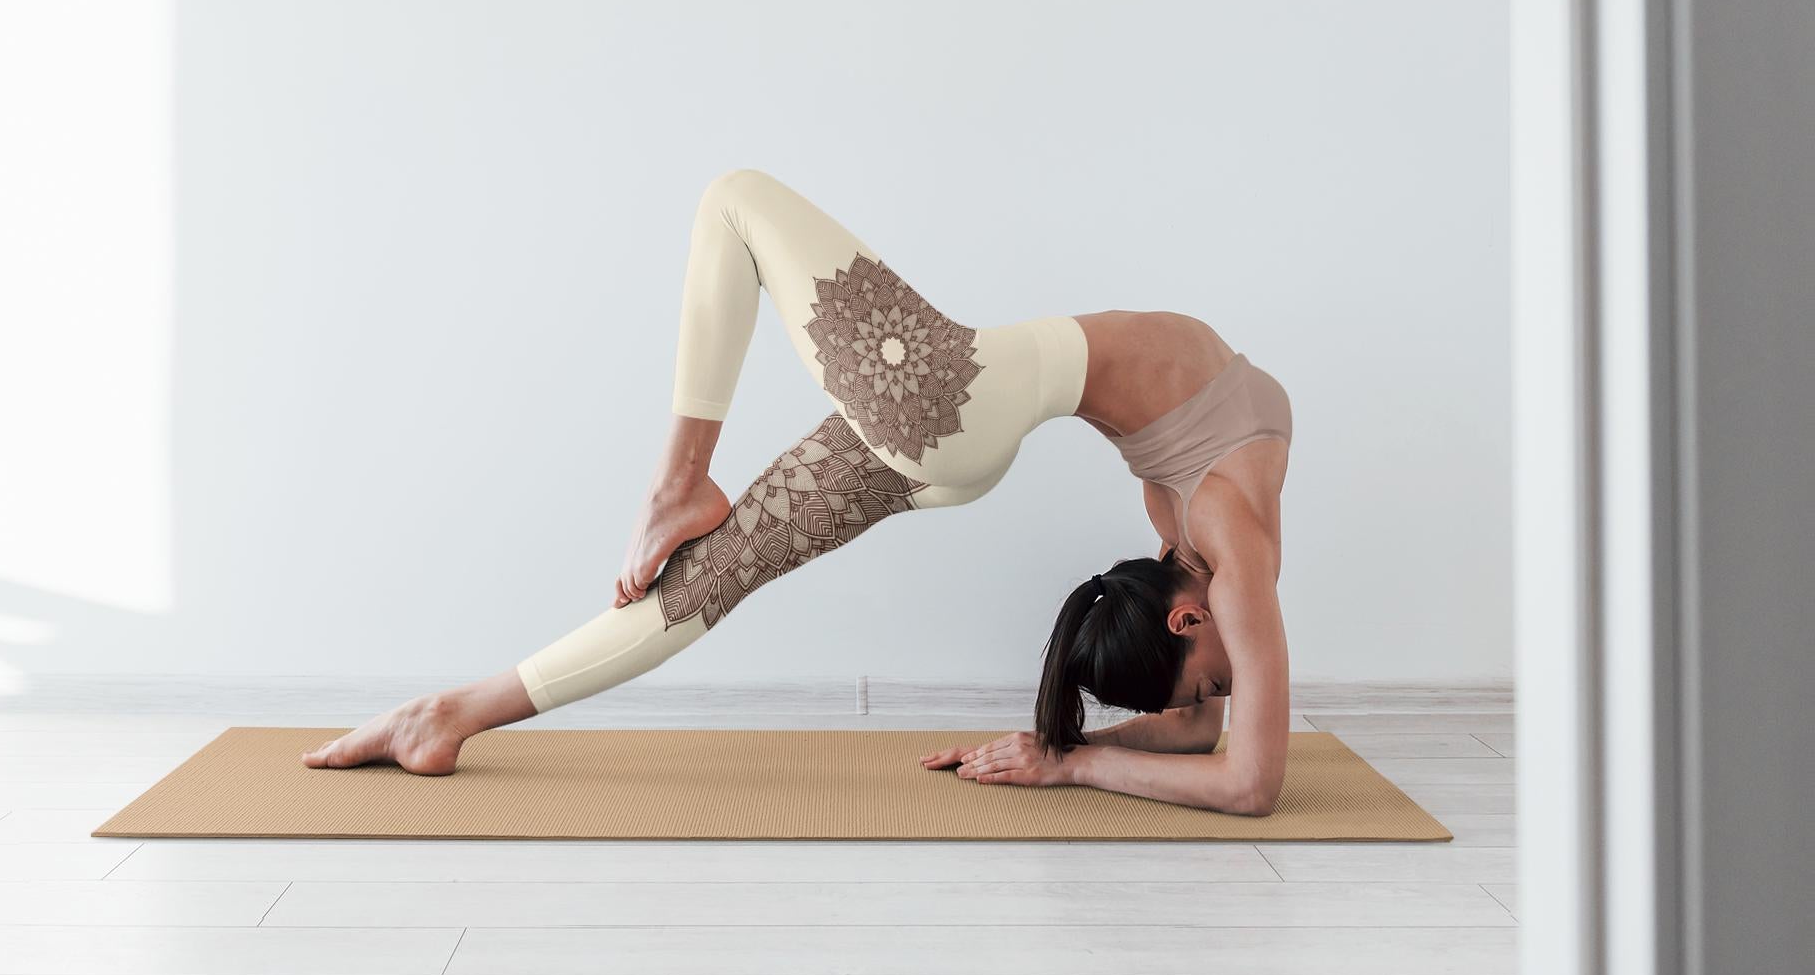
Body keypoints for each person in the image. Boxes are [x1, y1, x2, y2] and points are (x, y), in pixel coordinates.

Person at [302, 168, 1294, 816]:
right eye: (1215, 675)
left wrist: (1069, 757)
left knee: (734, 200)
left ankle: (676, 480)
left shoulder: (1214, 545)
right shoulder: (1211, 542)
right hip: (955, 415)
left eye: (1216, 676)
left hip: (951, 406)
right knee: (708, 579)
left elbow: (1245, 779)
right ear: (1184, 619)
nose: (1230, 685)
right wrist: (1080, 748)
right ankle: (450, 715)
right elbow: (1207, 740)